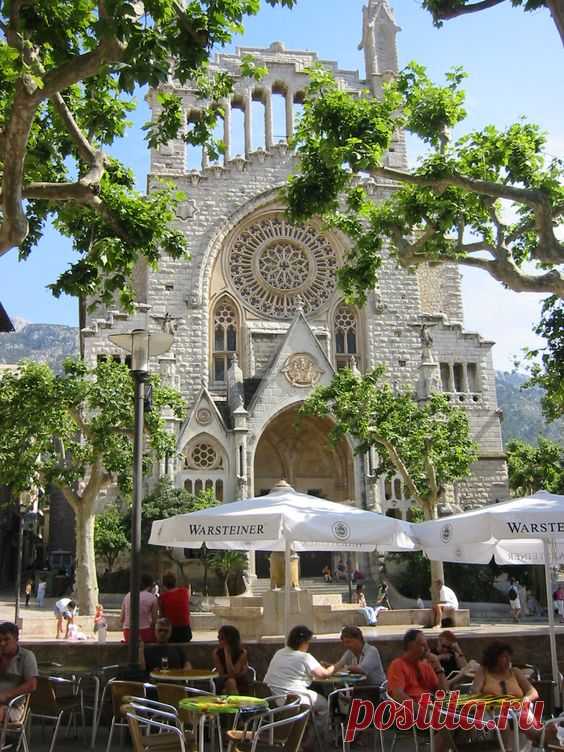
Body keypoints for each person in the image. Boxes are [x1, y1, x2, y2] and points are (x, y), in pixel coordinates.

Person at [472, 641, 547, 749]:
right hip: (493, 710)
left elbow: (533, 692)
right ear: (494, 658)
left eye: (509, 657)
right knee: (502, 722)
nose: (508, 660)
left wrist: (526, 699)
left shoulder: (515, 672)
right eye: (504, 657)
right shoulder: (483, 671)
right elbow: (475, 692)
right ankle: (508, 749)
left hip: (517, 707)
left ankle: (543, 742)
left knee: (527, 723)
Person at [264, 625, 336, 735]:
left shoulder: (279, 652)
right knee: (324, 705)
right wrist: (335, 667)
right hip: (293, 699)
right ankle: (314, 741)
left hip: (272, 699)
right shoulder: (305, 657)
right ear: (303, 643)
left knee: (313, 701)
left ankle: (305, 733)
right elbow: (323, 674)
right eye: (308, 643)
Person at [387, 629, 451, 752]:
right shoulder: (397, 665)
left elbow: (444, 693)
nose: (427, 649)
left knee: (467, 722)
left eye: (426, 645)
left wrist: (438, 668)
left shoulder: (425, 666)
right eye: (422, 645)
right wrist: (423, 712)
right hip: (407, 713)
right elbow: (398, 695)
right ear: (410, 646)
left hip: (431, 709)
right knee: (450, 722)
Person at [0, 622, 38, 724]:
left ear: (16, 639)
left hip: (13, 707)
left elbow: (32, 685)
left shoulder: (26, 656)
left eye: (6, 639)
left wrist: (6, 695)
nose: (2, 643)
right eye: (0, 640)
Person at [120, 573, 158, 643]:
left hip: (128, 633)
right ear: (150, 586)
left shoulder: (128, 595)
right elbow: (154, 621)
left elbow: (121, 619)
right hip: (145, 632)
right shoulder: (152, 598)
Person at [212, 625, 249, 694]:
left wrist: (227, 655)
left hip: (239, 681)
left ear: (230, 639)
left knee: (231, 682)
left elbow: (233, 673)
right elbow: (221, 674)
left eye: (221, 638)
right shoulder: (216, 653)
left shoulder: (242, 652)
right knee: (230, 682)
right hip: (222, 681)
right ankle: (236, 703)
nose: (218, 639)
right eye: (218, 636)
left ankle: (231, 700)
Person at [159, 572, 192, 642]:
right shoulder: (184, 592)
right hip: (186, 632)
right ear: (175, 582)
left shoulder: (162, 597)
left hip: (171, 633)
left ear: (164, 585)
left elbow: (162, 617)